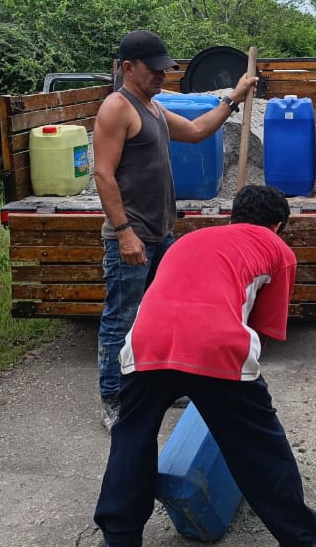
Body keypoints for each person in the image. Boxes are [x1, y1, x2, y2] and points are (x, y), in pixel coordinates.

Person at [92, 184, 316, 547]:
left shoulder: (189, 240)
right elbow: (262, 331)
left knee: (132, 436)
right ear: (278, 225)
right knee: (257, 442)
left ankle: (121, 545)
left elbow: (169, 297)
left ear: (231, 216)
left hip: (146, 342)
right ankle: (302, 542)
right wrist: (235, 395)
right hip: (215, 344)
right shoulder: (277, 249)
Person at [93, 29, 256, 431]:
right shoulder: (118, 108)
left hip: (160, 233)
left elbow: (199, 130)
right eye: (155, 69)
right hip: (132, 236)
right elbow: (103, 173)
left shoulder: (152, 107)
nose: (163, 76)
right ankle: (113, 398)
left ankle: (159, 387)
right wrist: (124, 231)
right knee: (121, 318)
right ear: (129, 68)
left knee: (160, 315)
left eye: (166, 69)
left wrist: (232, 98)